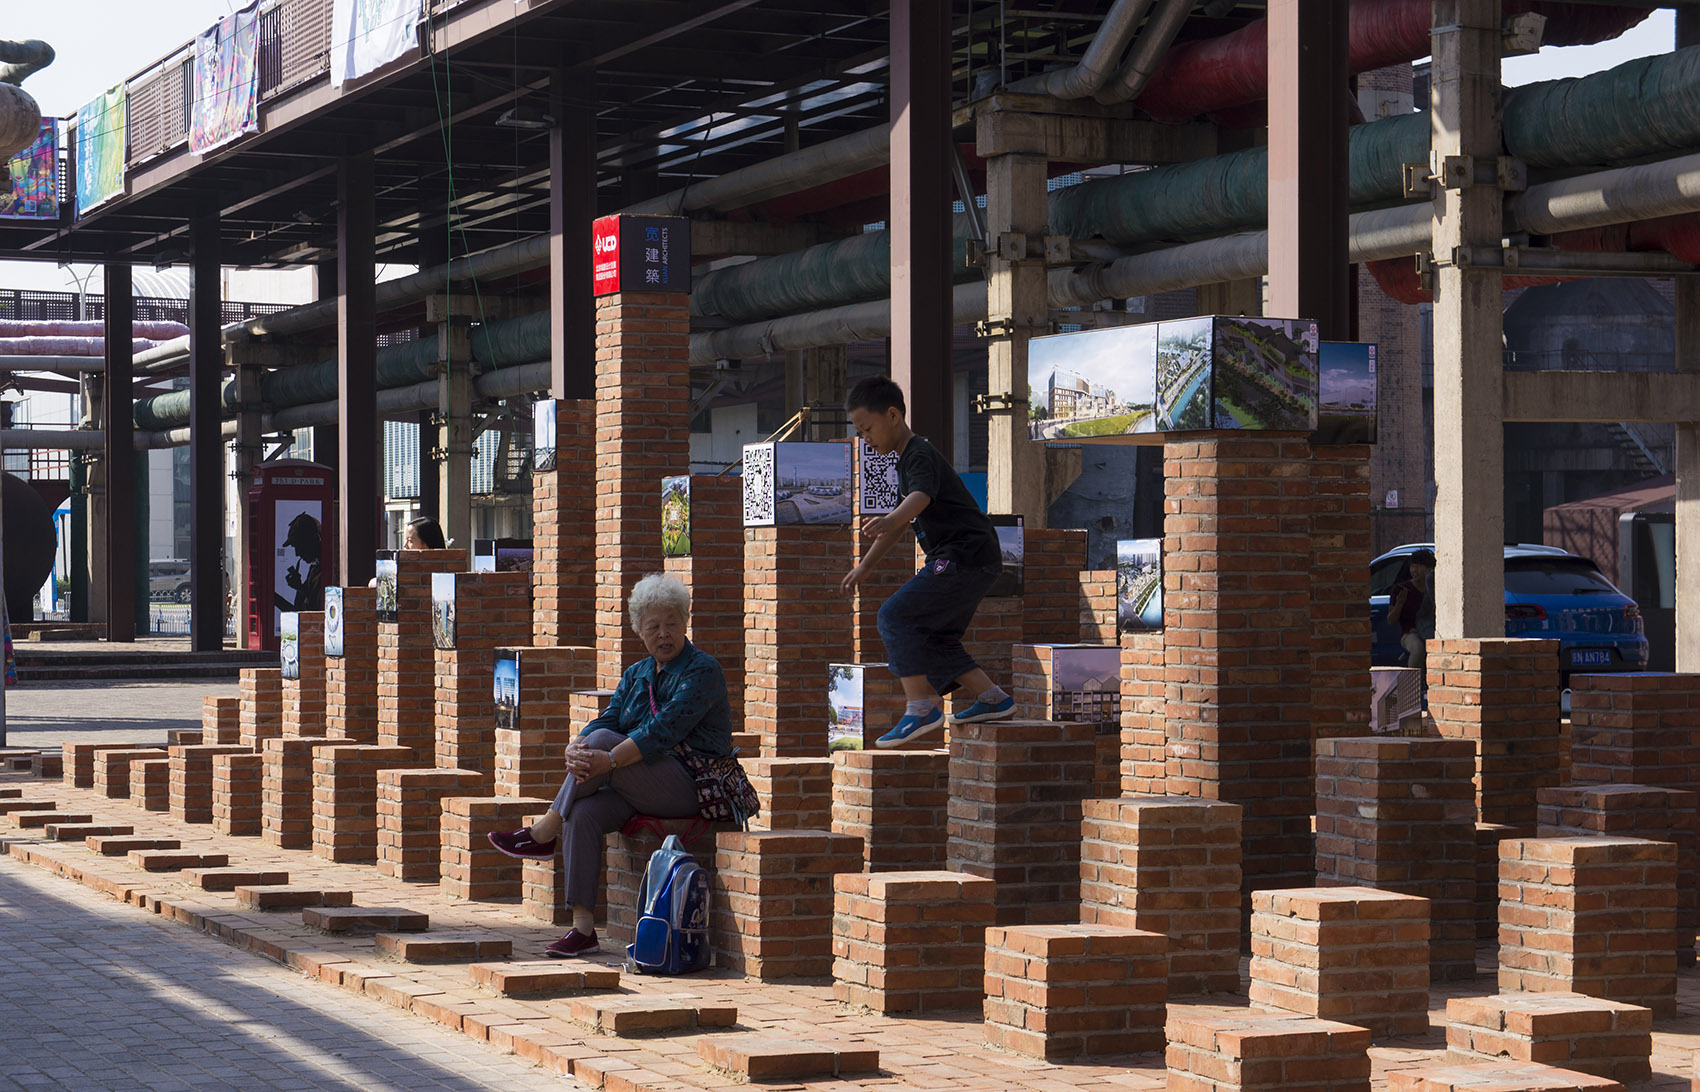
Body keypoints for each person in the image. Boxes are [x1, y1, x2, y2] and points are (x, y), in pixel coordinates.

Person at [487, 573, 732, 958]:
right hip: (639, 782)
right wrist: (575, 746)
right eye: (653, 626)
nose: (663, 634)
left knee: (601, 744)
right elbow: (609, 718)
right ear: (639, 630)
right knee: (583, 812)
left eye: (672, 623)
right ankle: (583, 928)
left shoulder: (702, 671)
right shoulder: (637, 674)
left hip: (693, 785)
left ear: (685, 622)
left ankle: (545, 828)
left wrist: (610, 758)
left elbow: (662, 731)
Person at [840, 376, 1013, 748]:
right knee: (935, 638)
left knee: (894, 616)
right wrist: (865, 566)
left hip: (964, 554)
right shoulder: (906, 461)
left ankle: (921, 707)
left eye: (867, 429)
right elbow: (899, 525)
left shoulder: (918, 453)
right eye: (859, 432)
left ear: (893, 416)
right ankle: (993, 698)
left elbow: (919, 498)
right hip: (973, 558)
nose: (865, 438)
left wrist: (891, 518)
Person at [1389, 549, 1435, 674]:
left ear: (1429, 569)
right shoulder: (1401, 589)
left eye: (1419, 566)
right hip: (1410, 633)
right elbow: (1391, 620)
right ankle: (1413, 681)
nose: (1414, 570)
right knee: (1418, 649)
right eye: (1412, 566)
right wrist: (1399, 604)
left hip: (1431, 630)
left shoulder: (1434, 587)